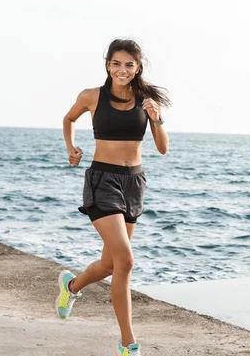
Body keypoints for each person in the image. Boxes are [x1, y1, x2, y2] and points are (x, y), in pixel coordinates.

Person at [57, 38, 170, 356]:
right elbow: (69, 119)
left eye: (129, 65)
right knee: (126, 261)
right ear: (108, 64)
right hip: (102, 180)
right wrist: (71, 149)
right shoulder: (91, 96)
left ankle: (71, 286)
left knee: (110, 264)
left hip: (134, 183)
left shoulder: (146, 99)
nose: (123, 70)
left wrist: (156, 118)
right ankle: (128, 343)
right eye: (117, 63)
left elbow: (162, 148)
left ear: (137, 68)